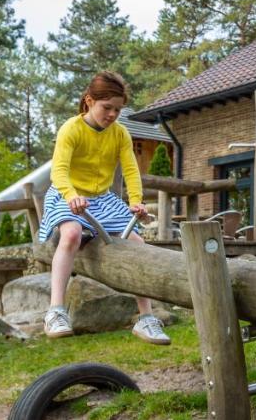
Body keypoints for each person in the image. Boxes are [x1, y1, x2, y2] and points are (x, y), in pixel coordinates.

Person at [39, 71, 170, 345]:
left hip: (103, 200)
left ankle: (146, 318)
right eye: (106, 107)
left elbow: (132, 171)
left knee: (136, 243)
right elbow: (59, 171)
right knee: (72, 233)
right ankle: (55, 311)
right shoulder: (71, 129)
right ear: (89, 101)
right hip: (67, 194)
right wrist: (72, 195)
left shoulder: (120, 134)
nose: (112, 114)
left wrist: (136, 201)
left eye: (118, 110)